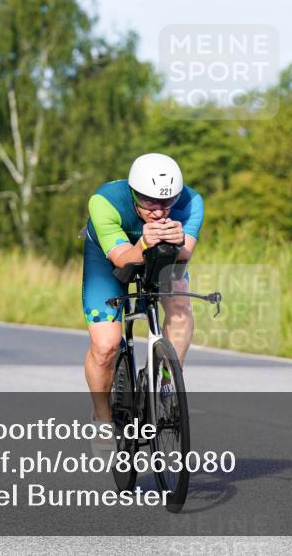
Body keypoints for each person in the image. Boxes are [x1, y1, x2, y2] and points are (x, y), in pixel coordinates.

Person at [81, 153, 204, 424]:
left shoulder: (191, 201)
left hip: (164, 255)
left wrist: (177, 241)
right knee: (105, 347)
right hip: (109, 257)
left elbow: (184, 255)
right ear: (133, 193)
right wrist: (143, 245)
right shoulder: (105, 201)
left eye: (167, 201)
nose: (159, 211)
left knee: (180, 306)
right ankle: (102, 414)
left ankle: (169, 383)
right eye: (149, 201)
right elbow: (121, 260)